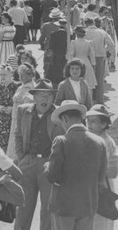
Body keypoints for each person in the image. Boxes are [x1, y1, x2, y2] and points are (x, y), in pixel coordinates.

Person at [46, 100, 107, 229]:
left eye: (61, 122)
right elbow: (100, 180)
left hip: (64, 206)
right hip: (88, 205)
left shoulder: (61, 141)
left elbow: (52, 176)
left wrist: (47, 167)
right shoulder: (100, 142)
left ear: (65, 118)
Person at [14, 79, 64, 230]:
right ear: (34, 97)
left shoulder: (58, 114)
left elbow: (63, 141)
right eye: (41, 95)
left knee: (48, 208)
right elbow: (18, 134)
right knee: (23, 206)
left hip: (48, 164)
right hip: (27, 162)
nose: (44, 99)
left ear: (53, 98)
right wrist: (22, 157)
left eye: (48, 95)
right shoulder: (23, 110)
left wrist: (55, 164)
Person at [86, 104, 118, 230]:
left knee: (101, 221)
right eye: (87, 120)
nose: (89, 124)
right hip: (89, 186)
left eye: (93, 121)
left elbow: (113, 171)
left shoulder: (108, 142)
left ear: (104, 124)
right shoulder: (88, 138)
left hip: (102, 186)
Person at [84, 17, 114, 104]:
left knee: (88, 78)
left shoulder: (84, 32)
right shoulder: (102, 32)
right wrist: (106, 51)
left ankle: (89, 99)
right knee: (99, 79)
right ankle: (99, 99)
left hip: (88, 57)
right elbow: (111, 44)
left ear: (85, 24)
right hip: (100, 56)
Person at [0, 64, 20, 152]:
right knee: (2, 141)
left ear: (11, 74)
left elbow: (22, 102)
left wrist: (12, 108)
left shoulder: (17, 86)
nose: (2, 77)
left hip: (14, 118)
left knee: (12, 141)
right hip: (2, 118)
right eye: (0, 74)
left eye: (4, 74)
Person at [67, 25, 97, 92]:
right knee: (88, 84)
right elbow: (92, 55)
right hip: (87, 63)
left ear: (77, 34)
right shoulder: (89, 42)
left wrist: (69, 64)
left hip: (76, 63)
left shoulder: (74, 42)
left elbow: (71, 54)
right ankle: (88, 99)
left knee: (76, 83)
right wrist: (93, 65)